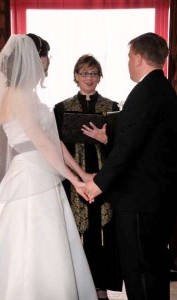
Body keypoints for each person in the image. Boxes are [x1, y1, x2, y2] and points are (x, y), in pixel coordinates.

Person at [0, 34, 98, 300]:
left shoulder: (29, 95)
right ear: (35, 58)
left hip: (43, 173)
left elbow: (54, 141)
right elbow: (42, 143)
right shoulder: (16, 95)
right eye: (47, 57)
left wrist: (81, 173)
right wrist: (73, 181)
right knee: (31, 239)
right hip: (31, 175)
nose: (48, 63)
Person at [83, 32, 177, 300]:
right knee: (154, 269)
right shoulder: (163, 89)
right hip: (158, 199)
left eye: (128, 57)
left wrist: (97, 184)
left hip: (140, 200)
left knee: (140, 272)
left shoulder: (144, 92)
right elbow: (146, 143)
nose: (127, 62)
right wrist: (109, 137)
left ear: (137, 58)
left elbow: (128, 151)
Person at [54, 54, 121, 299]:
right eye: (84, 73)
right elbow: (54, 146)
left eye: (94, 73)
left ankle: (101, 287)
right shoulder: (61, 108)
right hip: (74, 179)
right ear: (75, 76)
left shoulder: (112, 107)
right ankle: (77, 286)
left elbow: (122, 146)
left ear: (100, 77)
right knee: (77, 231)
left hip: (104, 180)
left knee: (102, 231)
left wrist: (107, 139)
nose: (89, 78)